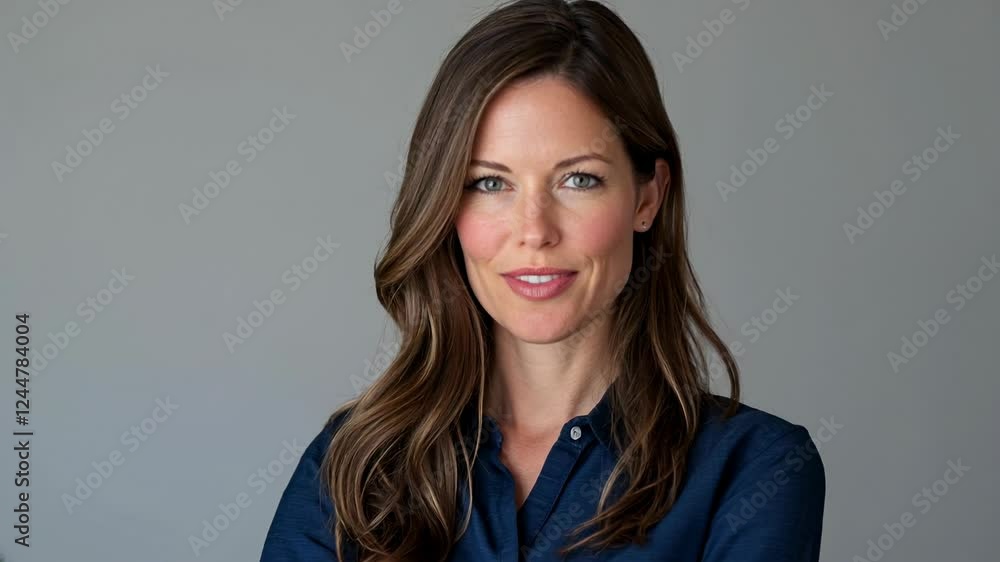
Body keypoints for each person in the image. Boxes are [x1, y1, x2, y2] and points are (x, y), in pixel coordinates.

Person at [260, 0, 825, 560]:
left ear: (647, 197)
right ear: (446, 207)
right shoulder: (356, 466)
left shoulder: (753, 470)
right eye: (488, 184)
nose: (534, 231)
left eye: (579, 180)